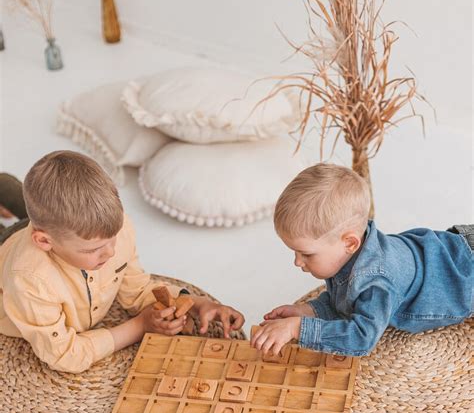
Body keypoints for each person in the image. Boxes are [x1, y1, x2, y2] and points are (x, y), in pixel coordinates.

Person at [0, 150, 244, 373]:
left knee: (33, 208)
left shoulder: (114, 228)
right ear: (44, 241)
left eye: (112, 239)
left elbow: (135, 289)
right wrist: (140, 326)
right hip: (9, 253)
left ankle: (5, 187)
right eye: (94, 249)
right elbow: (64, 355)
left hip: (53, 236)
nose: (110, 253)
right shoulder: (29, 279)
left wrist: (195, 303)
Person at [251, 163, 473, 357]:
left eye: (306, 254)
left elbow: (361, 337)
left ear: (350, 243)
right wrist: (309, 311)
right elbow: (347, 302)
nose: (297, 262)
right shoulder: (351, 251)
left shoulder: (375, 281)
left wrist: (297, 329)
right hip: (455, 248)